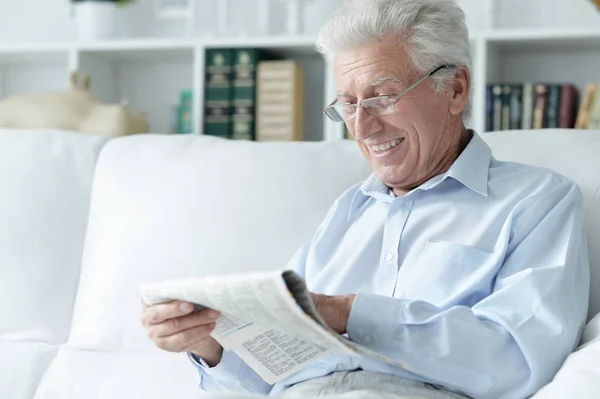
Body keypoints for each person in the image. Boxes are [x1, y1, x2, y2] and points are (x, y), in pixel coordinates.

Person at [140, 0, 590, 398]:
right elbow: (268, 376)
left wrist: (348, 313)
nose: (361, 127)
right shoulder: (348, 212)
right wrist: (211, 343)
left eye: (383, 97)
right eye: (348, 104)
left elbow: (517, 361)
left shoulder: (537, 201)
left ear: (455, 89)